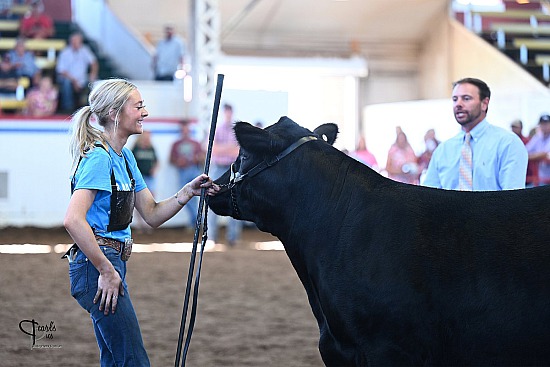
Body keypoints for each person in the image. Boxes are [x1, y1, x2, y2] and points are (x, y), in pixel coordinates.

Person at [62, 78, 218, 366]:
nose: (144, 113)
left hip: (110, 263)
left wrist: (186, 193)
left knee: (115, 359)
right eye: (139, 106)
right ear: (115, 113)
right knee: (133, 360)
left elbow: (152, 213)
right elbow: (73, 220)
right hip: (97, 266)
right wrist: (106, 270)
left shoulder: (125, 158)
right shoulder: (99, 158)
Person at [422, 77, 528, 191]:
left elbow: (513, 198)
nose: (458, 104)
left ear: (484, 104)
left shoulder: (507, 143)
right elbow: (429, 197)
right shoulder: (443, 151)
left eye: (466, 98)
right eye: (455, 99)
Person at [207, 103, 242, 247]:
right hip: (220, 167)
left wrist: (223, 149)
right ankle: (211, 237)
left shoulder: (235, 130)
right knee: (211, 199)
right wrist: (229, 149)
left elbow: (238, 151)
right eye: (226, 111)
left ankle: (232, 238)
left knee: (235, 202)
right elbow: (213, 149)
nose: (228, 114)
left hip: (231, 168)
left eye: (229, 111)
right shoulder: (218, 129)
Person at [169, 120, 204, 228]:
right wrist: (178, 161)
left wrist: (196, 158)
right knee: (186, 197)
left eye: (186, 129)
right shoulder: (176, 144)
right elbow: (171, 159)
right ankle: (197, 220)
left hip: (194, 169)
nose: (185, 132)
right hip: (182, 171)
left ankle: (196, 221)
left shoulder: (196, 143)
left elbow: (203, 157)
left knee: (191, 197)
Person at [56, 31, 98, 113]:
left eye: (78, 41)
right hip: (68, 78)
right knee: (66, 83)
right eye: (74, 41)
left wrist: (93, 74)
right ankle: (68, 108)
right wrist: (74, 81)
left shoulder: (85, 50)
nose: (76, 43)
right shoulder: (65, 52)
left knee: (95, 82)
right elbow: (61, 71)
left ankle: (90, 107)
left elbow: (94, 63)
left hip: (82, 78)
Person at [131, 130, 159, 232]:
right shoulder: (136, 149)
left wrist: (154, 169)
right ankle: (140, 224)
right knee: (138, 201)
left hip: (150, 177)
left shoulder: (151, 148)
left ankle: (148, 223)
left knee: (151, 199)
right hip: (140, 177)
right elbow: (131, 163)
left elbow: (156, 161)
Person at [511, 119, 537, 187]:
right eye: (513, 127)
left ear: (521, 128)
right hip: (516, 176)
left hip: (528, 176)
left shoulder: (526, 141)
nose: (514, 129)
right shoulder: (509, 141)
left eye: (516, 127)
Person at [526, 114, 550, 186]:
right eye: (542, 124)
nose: (544, 126)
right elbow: (525, 151)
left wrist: (530, 157)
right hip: (540, 179)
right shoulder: (538, 136)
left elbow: (544, 153)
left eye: (546, 124)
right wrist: (536, 156)